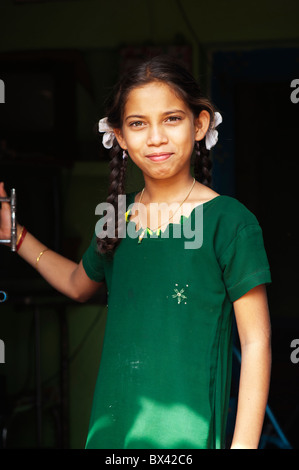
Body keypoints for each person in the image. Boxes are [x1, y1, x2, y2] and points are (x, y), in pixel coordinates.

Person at [0, 55, 271, 449]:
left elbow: (256, 343)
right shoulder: (116, 217)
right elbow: (78, 284)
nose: (156, 137)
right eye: (138, 124)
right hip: (110, 436)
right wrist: (15, 234)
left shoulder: (229, 221)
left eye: (172, 119)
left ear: (200, 125)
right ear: (120, 137)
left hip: (185, 442)